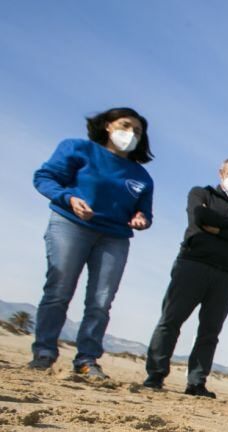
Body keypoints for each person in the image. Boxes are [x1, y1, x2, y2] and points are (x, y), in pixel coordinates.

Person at [29, 107, 154, 379]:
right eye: (125, 125)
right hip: (71, 226)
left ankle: (87, 359)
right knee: (59, 289)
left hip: (114, 238)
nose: (130, 133)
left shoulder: (141, 176)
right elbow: (44, 178)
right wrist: (69, 199)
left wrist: (140, 218)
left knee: (101, 300)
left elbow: (144, 212)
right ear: (108, 126)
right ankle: (44, 353)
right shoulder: (78, 149)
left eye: (137, 131)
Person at [143, 158, 228, 397]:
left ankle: (196, 382)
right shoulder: (201, 195)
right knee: (171, 320)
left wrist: (221, 229)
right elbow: (199, 217)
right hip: (193, 264)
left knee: (210, 331)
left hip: (227, 275)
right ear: (221, 173)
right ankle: (156, 373)